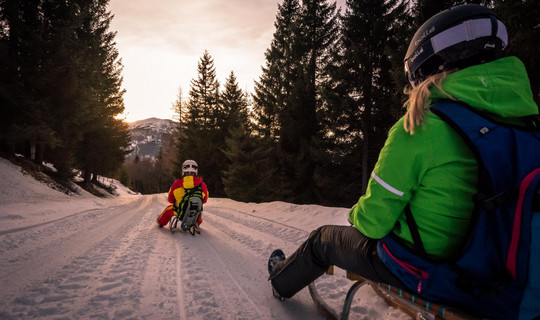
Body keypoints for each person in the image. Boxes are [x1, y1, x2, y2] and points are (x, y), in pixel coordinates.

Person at [268, 3, 538, 303]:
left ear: (425, 66)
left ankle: (280, 281)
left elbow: (373, 222)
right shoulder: (526, 125)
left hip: (428, 272)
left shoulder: (420, 126)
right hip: (501, 277)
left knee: (321, 239)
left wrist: (357, 215)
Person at [157, 159, 209, 228]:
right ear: (196, 171)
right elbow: (204, 200)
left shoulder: (176, 184)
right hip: (195, 213)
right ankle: (196, 223)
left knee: (168, 210)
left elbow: (170, 200)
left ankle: (161, 223)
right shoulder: (202, 185)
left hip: (179, 212)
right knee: (198, 211)